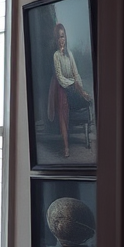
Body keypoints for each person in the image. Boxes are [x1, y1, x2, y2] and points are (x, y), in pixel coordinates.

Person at [47, 23, 93, 159]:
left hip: (73, 86)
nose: (62, 40)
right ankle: (66, 147)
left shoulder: (70, 54)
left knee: (86, 96)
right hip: (60, 87)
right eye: (59, 37)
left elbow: (76, 73)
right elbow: (60, 77)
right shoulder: (56, 56)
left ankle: (83, 97)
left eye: (63, 36)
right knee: (62, 106)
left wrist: (79, 87)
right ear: (56, 40)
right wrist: (73, 84)